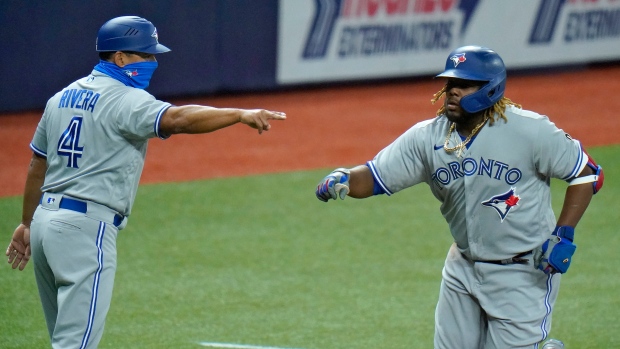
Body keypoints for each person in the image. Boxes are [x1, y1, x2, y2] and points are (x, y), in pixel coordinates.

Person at [5, 15, 285, 348]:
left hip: (44, 226)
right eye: (146, 54)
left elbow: (39, 162)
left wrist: (26, 223)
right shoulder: (125, 98)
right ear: (120, 57)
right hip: (83, 231)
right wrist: (238, 114)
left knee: (65, 340)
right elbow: (178, 119)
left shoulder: (60, 98)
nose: (153, 62)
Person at [315, 45, 603, 348]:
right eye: (450, 84)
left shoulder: (529, 131)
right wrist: (345, 178)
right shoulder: (428, 137)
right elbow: (376, 176)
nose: (452, 91)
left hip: (522, 270)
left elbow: (587, 172)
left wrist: (564, 234)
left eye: (464, 85)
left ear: (490, 89)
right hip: (462, 267)